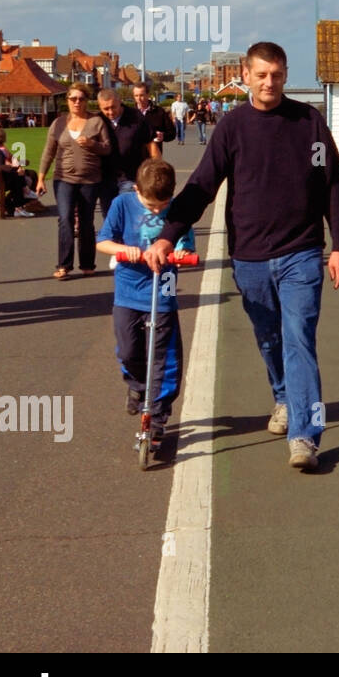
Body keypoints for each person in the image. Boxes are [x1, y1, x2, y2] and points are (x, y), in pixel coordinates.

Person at [144, 41, 339, 472]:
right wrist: (168, 235)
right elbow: (201, 185)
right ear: (246, 75)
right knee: (270, 337)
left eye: (277, 75)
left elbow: (333, 184)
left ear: (285, 74)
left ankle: (305, 435)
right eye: (261, 75)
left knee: (299, 339)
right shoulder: (232, 128)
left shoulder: (308, 123)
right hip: (250, 255)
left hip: (302, 252)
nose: (270, 83)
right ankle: (282, 397)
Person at [96, 160, 197, 455]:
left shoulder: (177, 209)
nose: (157, 211)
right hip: (128, 292)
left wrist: (182, 253)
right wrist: (123, 250)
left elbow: (186, 246)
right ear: (137, 189)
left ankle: (155, 419)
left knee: (163, 359)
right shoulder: (123, 204)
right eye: (151, 205)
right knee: (129, 350)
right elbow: (103, 241)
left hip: (162, 292)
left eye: (162, 205)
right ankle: (137, 384)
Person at [36, 84, 113, 279]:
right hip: (63, 178)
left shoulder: (96, 122)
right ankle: (64, 265)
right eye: (73, 98)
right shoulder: (59, 123)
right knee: (65, 219)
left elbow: (107, 149)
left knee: (86, 222)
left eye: (81, 99)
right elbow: (49, 151)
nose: (77, 102)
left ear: (87, 101)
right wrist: (40, 177)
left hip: (90, 179)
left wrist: (91, 144)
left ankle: (87, 264)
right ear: (68, 101)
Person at [97, 88, 161, 217]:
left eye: (113, 107)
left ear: (120, 101)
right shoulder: (98, 120)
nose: (110, 112)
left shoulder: (136, 117)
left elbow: (152, 146)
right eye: (106, 109)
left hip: (131, 177)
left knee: (127, 215)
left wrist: (155, 175)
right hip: (106, 178)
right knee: (110, 217)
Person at [131, 82, 176, 147]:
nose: (139, 98)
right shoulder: (130, 113)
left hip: (154, 154)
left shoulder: (159, 112)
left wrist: (163, 136)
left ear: (148, 95)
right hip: (135, 154)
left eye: (141, 95)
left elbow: (172, 133)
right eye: (136, 96)